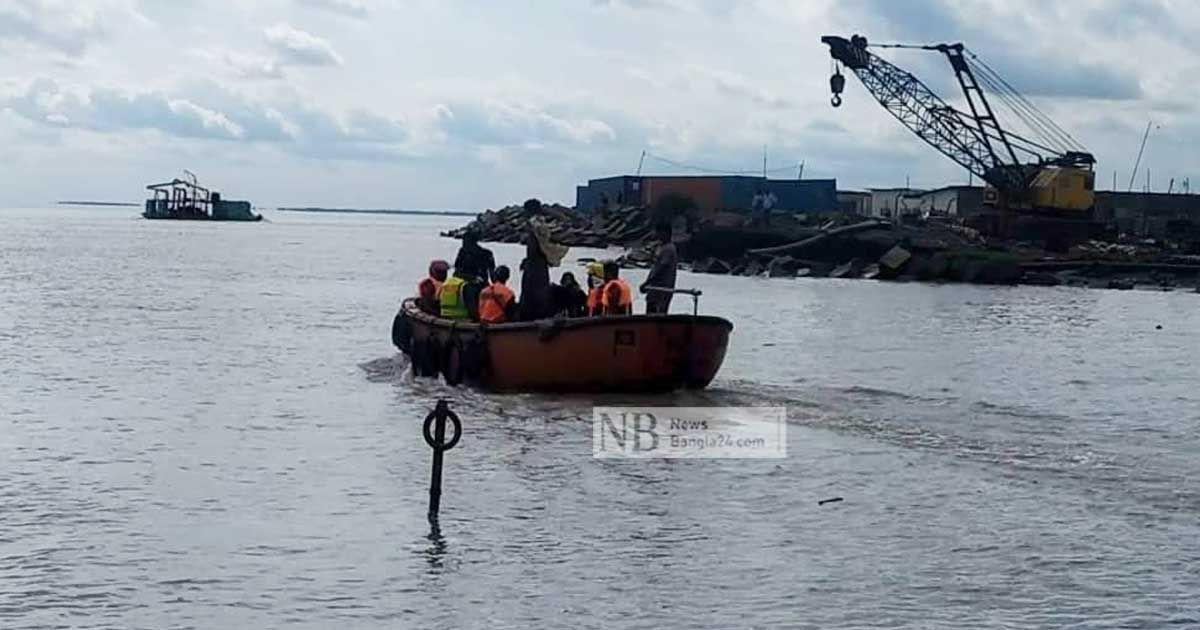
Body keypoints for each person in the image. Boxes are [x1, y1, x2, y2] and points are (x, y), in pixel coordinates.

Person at [453, 229, 495, 318]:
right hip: (474, 286)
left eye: (465, 241)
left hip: (475, 287)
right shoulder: (464, 252)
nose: (463, 244)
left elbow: (456, 272)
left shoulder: (484, 254)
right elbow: (456, 273)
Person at [639, 224, 677, 314]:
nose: (658, 235)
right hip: (655, 289)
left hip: (661, 289)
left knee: (657, 312)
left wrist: (647, 283)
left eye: (659, 233)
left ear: (666, 233)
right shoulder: (662, 247)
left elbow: (661, 268)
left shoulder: (668, 249)